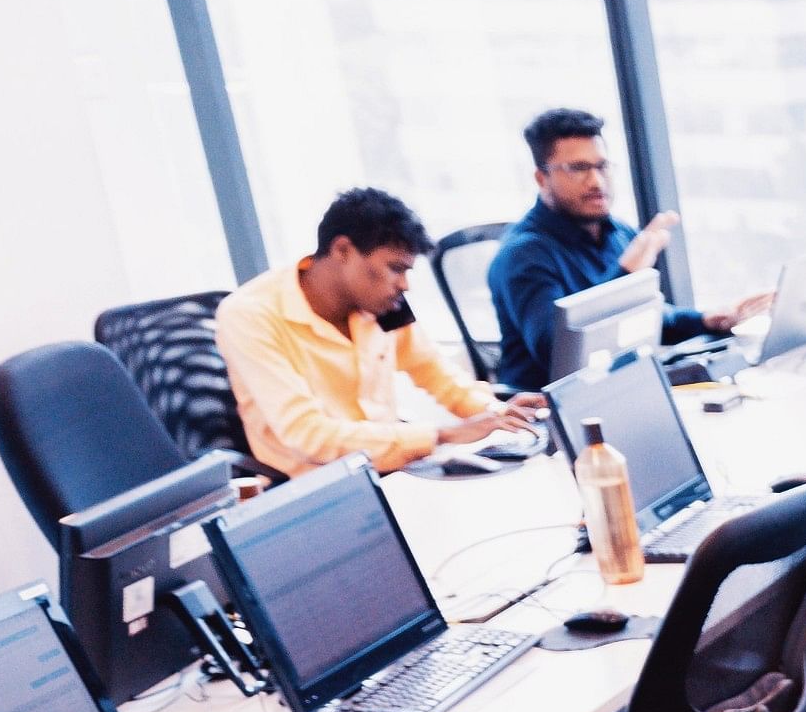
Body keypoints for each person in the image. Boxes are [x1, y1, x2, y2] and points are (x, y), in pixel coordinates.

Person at [214, 187, 536, 478]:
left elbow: (436, 374)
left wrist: (497, 414)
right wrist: (443, 435)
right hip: (318, 488)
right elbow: (307, 434)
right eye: (395, 268)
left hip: (392, 469)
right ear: (343, 251)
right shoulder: (250, 315)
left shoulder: (382, 304)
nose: (404, 285)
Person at [483, 105, 768, 393]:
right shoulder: (522, 255)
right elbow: (560, 357)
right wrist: (625, 274)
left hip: (621, 387)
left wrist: (707, 320)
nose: (596, 181)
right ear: (541, 178)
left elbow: (644, 318)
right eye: (578, 168)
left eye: (602, 166)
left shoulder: (617, 232)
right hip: (553, 410)